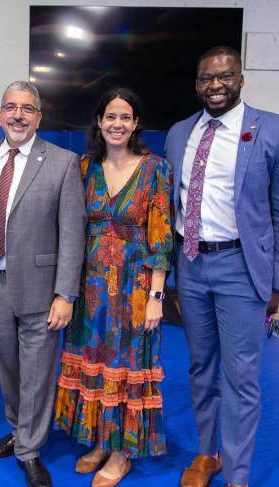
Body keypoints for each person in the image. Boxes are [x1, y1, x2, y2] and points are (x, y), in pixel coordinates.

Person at [165, 46, 279, 487]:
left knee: (242, 377)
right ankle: (207, 454)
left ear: (241, 79)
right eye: (206, 78)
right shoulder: (180, 133)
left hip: (241, 268)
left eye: (225, 76)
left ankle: (238, 474)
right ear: (197, 84)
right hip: (190, 266)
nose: (215, 85)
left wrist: (275, 280)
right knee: (200, 368)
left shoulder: (268, 129)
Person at [54, 87, 173, 487]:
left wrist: (156, 297)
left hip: (134, 290)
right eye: (110, 117)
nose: (117, 124)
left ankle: (122, 453)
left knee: (127, 368)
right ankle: (102, 442)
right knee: (95, 362)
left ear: (135, 123)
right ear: (99, 122)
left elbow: (162, 239)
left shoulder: (156, 169)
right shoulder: (84, 167)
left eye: (125, 117)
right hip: (90, 290)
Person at [0, 81, 85, 487]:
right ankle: (19, 429)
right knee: (8, 368)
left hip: (41, 287)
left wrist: (65, 294)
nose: (18, 115)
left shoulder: (62, 162)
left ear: (39, 116)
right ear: (0, 114)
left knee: (37, 371)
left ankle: (31, 449)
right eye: (10, 107)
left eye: (27, 108)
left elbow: (72, 232)